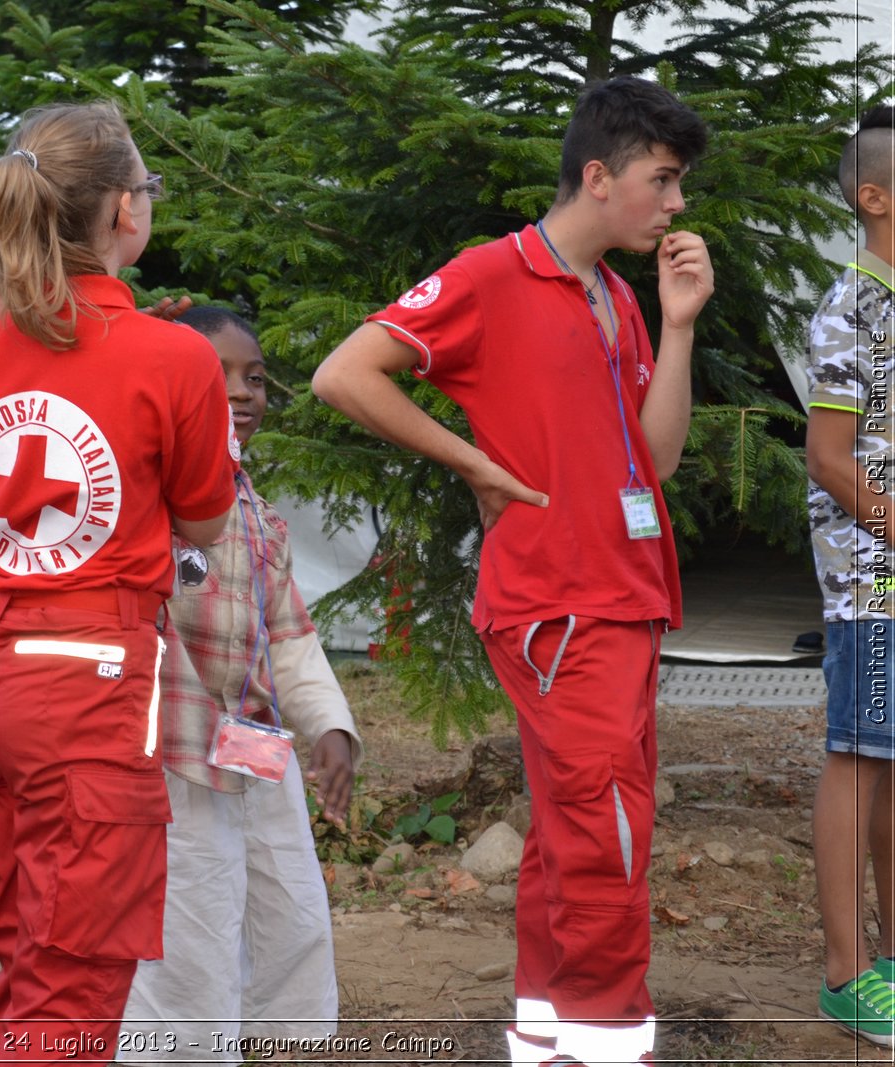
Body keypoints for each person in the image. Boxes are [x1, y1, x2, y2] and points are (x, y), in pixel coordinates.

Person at [311, 76, 714, 1066]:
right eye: (661, 181)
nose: (674, 205)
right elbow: (343, 372)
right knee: (604, 835)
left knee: (574, 829)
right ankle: (607, 1044)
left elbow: (651, 461)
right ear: (597, 174)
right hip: (555, 605)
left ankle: (546, 1033)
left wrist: (679, 323)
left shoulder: (618, 291)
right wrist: (471, 461)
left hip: (620, 596)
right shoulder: (493, 274)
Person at [0, 101, 238, 1063]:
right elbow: (208, 520)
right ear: (126, 211)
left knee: (28, 953)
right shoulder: (176, 355)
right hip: (88, 680)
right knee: (73, 975)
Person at [117, 307, 361, 1062]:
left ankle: (273, 1036)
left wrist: (328, 724)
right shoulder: (150, 503)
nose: (243, 392)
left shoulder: (258, 516)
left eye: (253, 377)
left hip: (255, 753)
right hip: (177, 757)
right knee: (190, 918)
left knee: (288, 903)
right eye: (216, 377)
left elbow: (287, 632)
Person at [805, 103, 895, 1045]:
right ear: (874, 199)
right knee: (862, 758)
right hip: (874, 580)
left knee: (892, 764)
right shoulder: (855, 306)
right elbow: (830, 457)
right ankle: (845, 973)